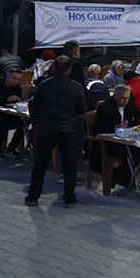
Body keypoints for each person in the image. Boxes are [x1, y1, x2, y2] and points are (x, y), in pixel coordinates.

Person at [26, 56, 87, 207]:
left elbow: (33, 105)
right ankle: (69, 198)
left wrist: (36, 123)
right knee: (69, 165)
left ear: (53, 68)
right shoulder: (76, 86)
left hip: (48, 129)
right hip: (68, 130)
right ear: (69, 70)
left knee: (40, 164)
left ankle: (33, 197)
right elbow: (82, 109)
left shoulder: (43, 85)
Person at [92, 84, 140, 188]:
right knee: (128, 153)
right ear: (115, 96)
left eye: (128, 98)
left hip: (126, 138)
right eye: (122, 98)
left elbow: (139, 115)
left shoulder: (129, 104)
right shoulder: (104, 107)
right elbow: (99, 128)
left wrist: (132, 125)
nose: (125, 101)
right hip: (109, 142)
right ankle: (121, 177)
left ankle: (123, 177)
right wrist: (117, 126)